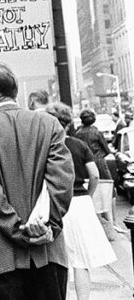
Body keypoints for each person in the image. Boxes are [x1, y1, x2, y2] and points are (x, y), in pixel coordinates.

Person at [0, 64, 75, 300]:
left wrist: (19, 230)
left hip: (0, 258)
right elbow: (63, 182)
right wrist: (48, 228)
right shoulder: (50, 124)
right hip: (47, 252)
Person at [43, 103, 116, 300]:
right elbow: (94, 175)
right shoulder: (78, 145)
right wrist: (89, 196)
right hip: (80, 202)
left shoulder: (45, 146)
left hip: (55, 204)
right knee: (81, 260)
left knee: (60, 260)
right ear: (68, 123)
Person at [73, 108, 117, 237]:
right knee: (108, 191)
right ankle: (111, 222)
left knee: (91, 191)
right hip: (99, 164)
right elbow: (107, 149)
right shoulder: (96, 132)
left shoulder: (77, 134)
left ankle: (95, 221)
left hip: (85, 166)